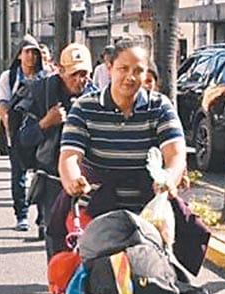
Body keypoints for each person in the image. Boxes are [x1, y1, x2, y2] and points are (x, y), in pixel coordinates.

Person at [59, 37, 187, 215]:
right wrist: (73, 180)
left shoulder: (160, 106)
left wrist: (169, 179)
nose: (130, 77)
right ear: (109, 68)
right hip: (95, 205)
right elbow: (69, 156)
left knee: (192, 229)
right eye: (123, 69)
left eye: (138, 70)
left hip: (151, 208)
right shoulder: (84, 107)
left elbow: (176, 153)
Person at [11, 43, 96, 257]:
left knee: (91, 239)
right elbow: (23, 138)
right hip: (52, 178)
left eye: (84, 74)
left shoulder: (96, 97)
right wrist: (45, 123)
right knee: (56, 239)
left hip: (88, 179)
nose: (80, 80)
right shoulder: (41, 93)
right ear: (61, 70)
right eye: (74, 74)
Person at [0, 34, 47, 232]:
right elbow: (3, 104)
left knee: (43, 175)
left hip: (41, 132)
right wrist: (9, 129)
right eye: (27, 52)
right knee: (18, 175)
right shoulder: (9, 77)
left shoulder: (46, 76)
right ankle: (21, 214)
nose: (31, 57)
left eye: (35, 53)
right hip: (17, 133)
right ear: (19, 55)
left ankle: (43, 218)